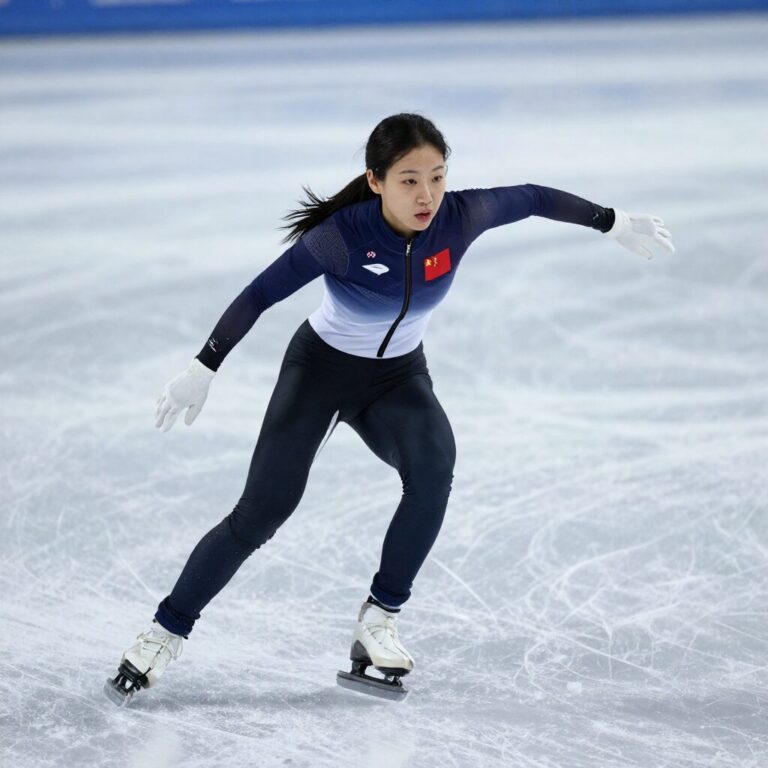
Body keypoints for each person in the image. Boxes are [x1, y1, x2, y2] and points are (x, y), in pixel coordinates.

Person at [104, 113, 674, 705]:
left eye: (437, 176)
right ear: (375, 181)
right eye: (409, 180)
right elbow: (260, 294)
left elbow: (531, 197)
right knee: (262, 513)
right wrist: (204, 366)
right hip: (319, 372)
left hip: (397, 377)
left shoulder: (462, 217)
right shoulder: (341, 237)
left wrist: (612, 221)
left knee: (433, 471)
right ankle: (164, 632)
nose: (427, 194)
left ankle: (378, 619)